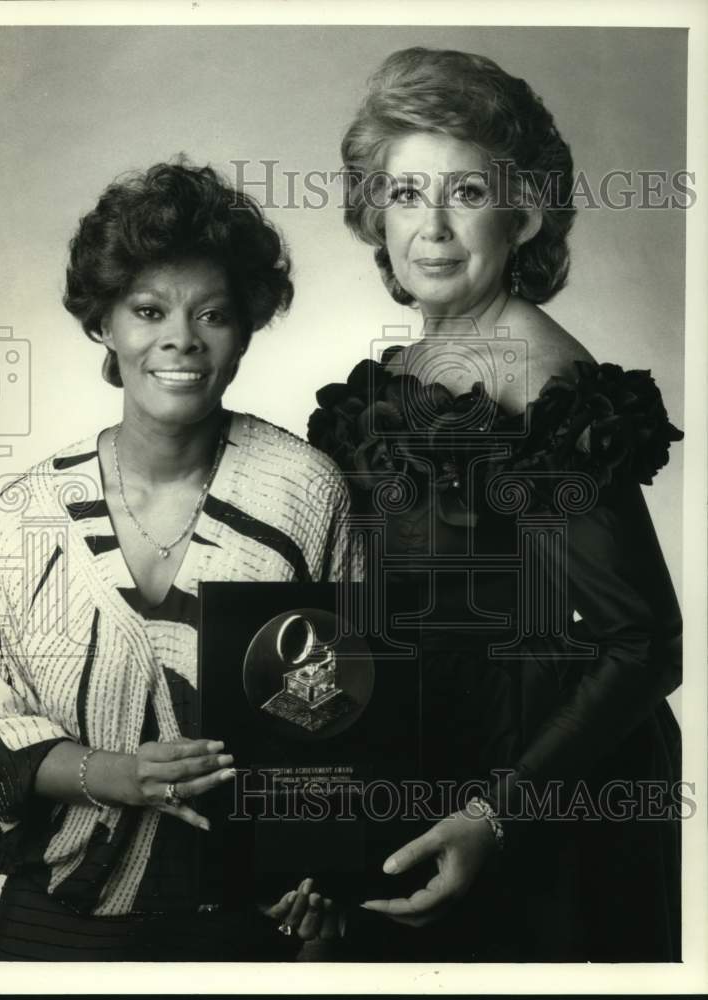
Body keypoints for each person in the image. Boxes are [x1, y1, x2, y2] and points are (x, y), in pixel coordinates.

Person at [308, 47, 683, 961]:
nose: (431, 228)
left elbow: (642, 644)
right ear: (373, 212)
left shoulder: (541, 375)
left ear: (521, 210)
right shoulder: (412, 363)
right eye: (404, 195)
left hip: (534, 807)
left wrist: (498, 815)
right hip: (429, 777)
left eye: (465, 194)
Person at [0, 160, 355, 960]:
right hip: (57, 914)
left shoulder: (303, 492)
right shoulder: (24, 511)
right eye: (148, 310)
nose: (181, 338)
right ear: (105, 324)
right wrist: (116, 774)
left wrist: (324, 878)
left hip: (242, 922)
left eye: (212, 313)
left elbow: (344, 722)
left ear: (245, 328)